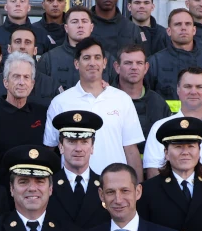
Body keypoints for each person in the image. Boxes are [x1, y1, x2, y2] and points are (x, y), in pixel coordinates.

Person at [44, 36, 143, 174]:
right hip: (74, 186)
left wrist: (136, 187)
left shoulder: (122, 99)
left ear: (104, 63)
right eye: (86, 58)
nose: (92, 63)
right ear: (76, 63)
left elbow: (131, 150)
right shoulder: (60, 102)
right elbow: (50, 149)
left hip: (115, 185)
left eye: (97, 58)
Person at [143, 67, 202, 184]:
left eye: (199, 87)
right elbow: (153, 168)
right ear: (178, 89)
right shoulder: (159, 127)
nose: (193, 92)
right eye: (187, 86)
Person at [0, 52, 48, 181]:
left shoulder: (43, 115)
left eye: (26, 77)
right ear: (5, 82)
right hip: (0, 193)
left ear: (32, 84)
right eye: (16, 77)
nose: (21, 82)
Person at [50, 109, 108, 230]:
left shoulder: (105, 185)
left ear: (92, 147)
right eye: (71, 142)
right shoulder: (47, 185)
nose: (78, 149)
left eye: (84, 142)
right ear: (61, 147)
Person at [147, 9, 202, 101]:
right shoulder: (154, 62)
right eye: (178, 24)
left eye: (188, 24)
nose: (183, 28)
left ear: (194, 30)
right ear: (168, 31)